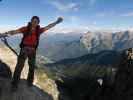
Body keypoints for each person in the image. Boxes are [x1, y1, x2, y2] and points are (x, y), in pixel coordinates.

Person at [5, 16, 63, 90]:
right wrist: (4, 34)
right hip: (24, 50)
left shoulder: (39, 30)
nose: (35, 22)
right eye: (34, 20)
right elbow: (14, 32)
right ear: (31, 21)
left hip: (32, 51)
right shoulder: (25, 28)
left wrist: (56, 22)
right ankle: (15, 83)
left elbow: (48, 27)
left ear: (38, 23)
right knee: (19, 67)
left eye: (36, 21)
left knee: (32, 67)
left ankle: (29, 82)